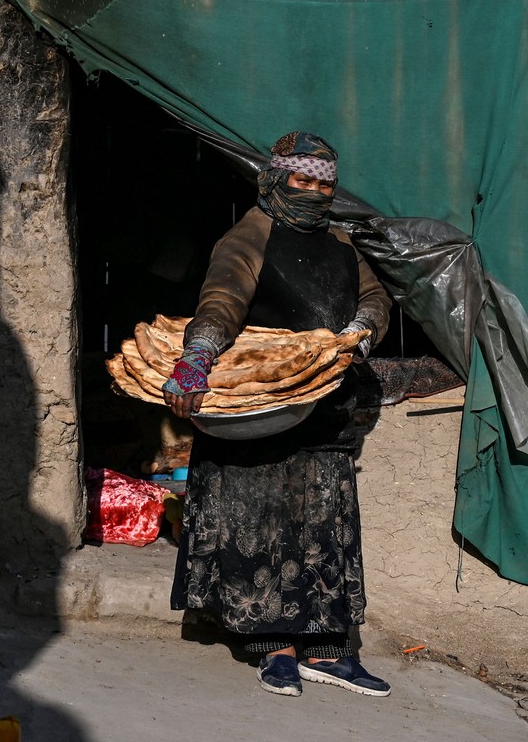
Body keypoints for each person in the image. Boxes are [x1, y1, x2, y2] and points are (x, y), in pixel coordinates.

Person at [163, 131, 393, 697]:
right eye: (303, 180)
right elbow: (221, 301)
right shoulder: (248, 237)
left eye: (325, 183)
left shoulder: (340, 240)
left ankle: (329, 649)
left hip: (325, 401)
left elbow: (375, 298)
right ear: (275, 179)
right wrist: (197, 357)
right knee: (259, 519)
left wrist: (360, 332)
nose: (315, 192)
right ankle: (277, 648)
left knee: (325, 523)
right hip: (260, 399)